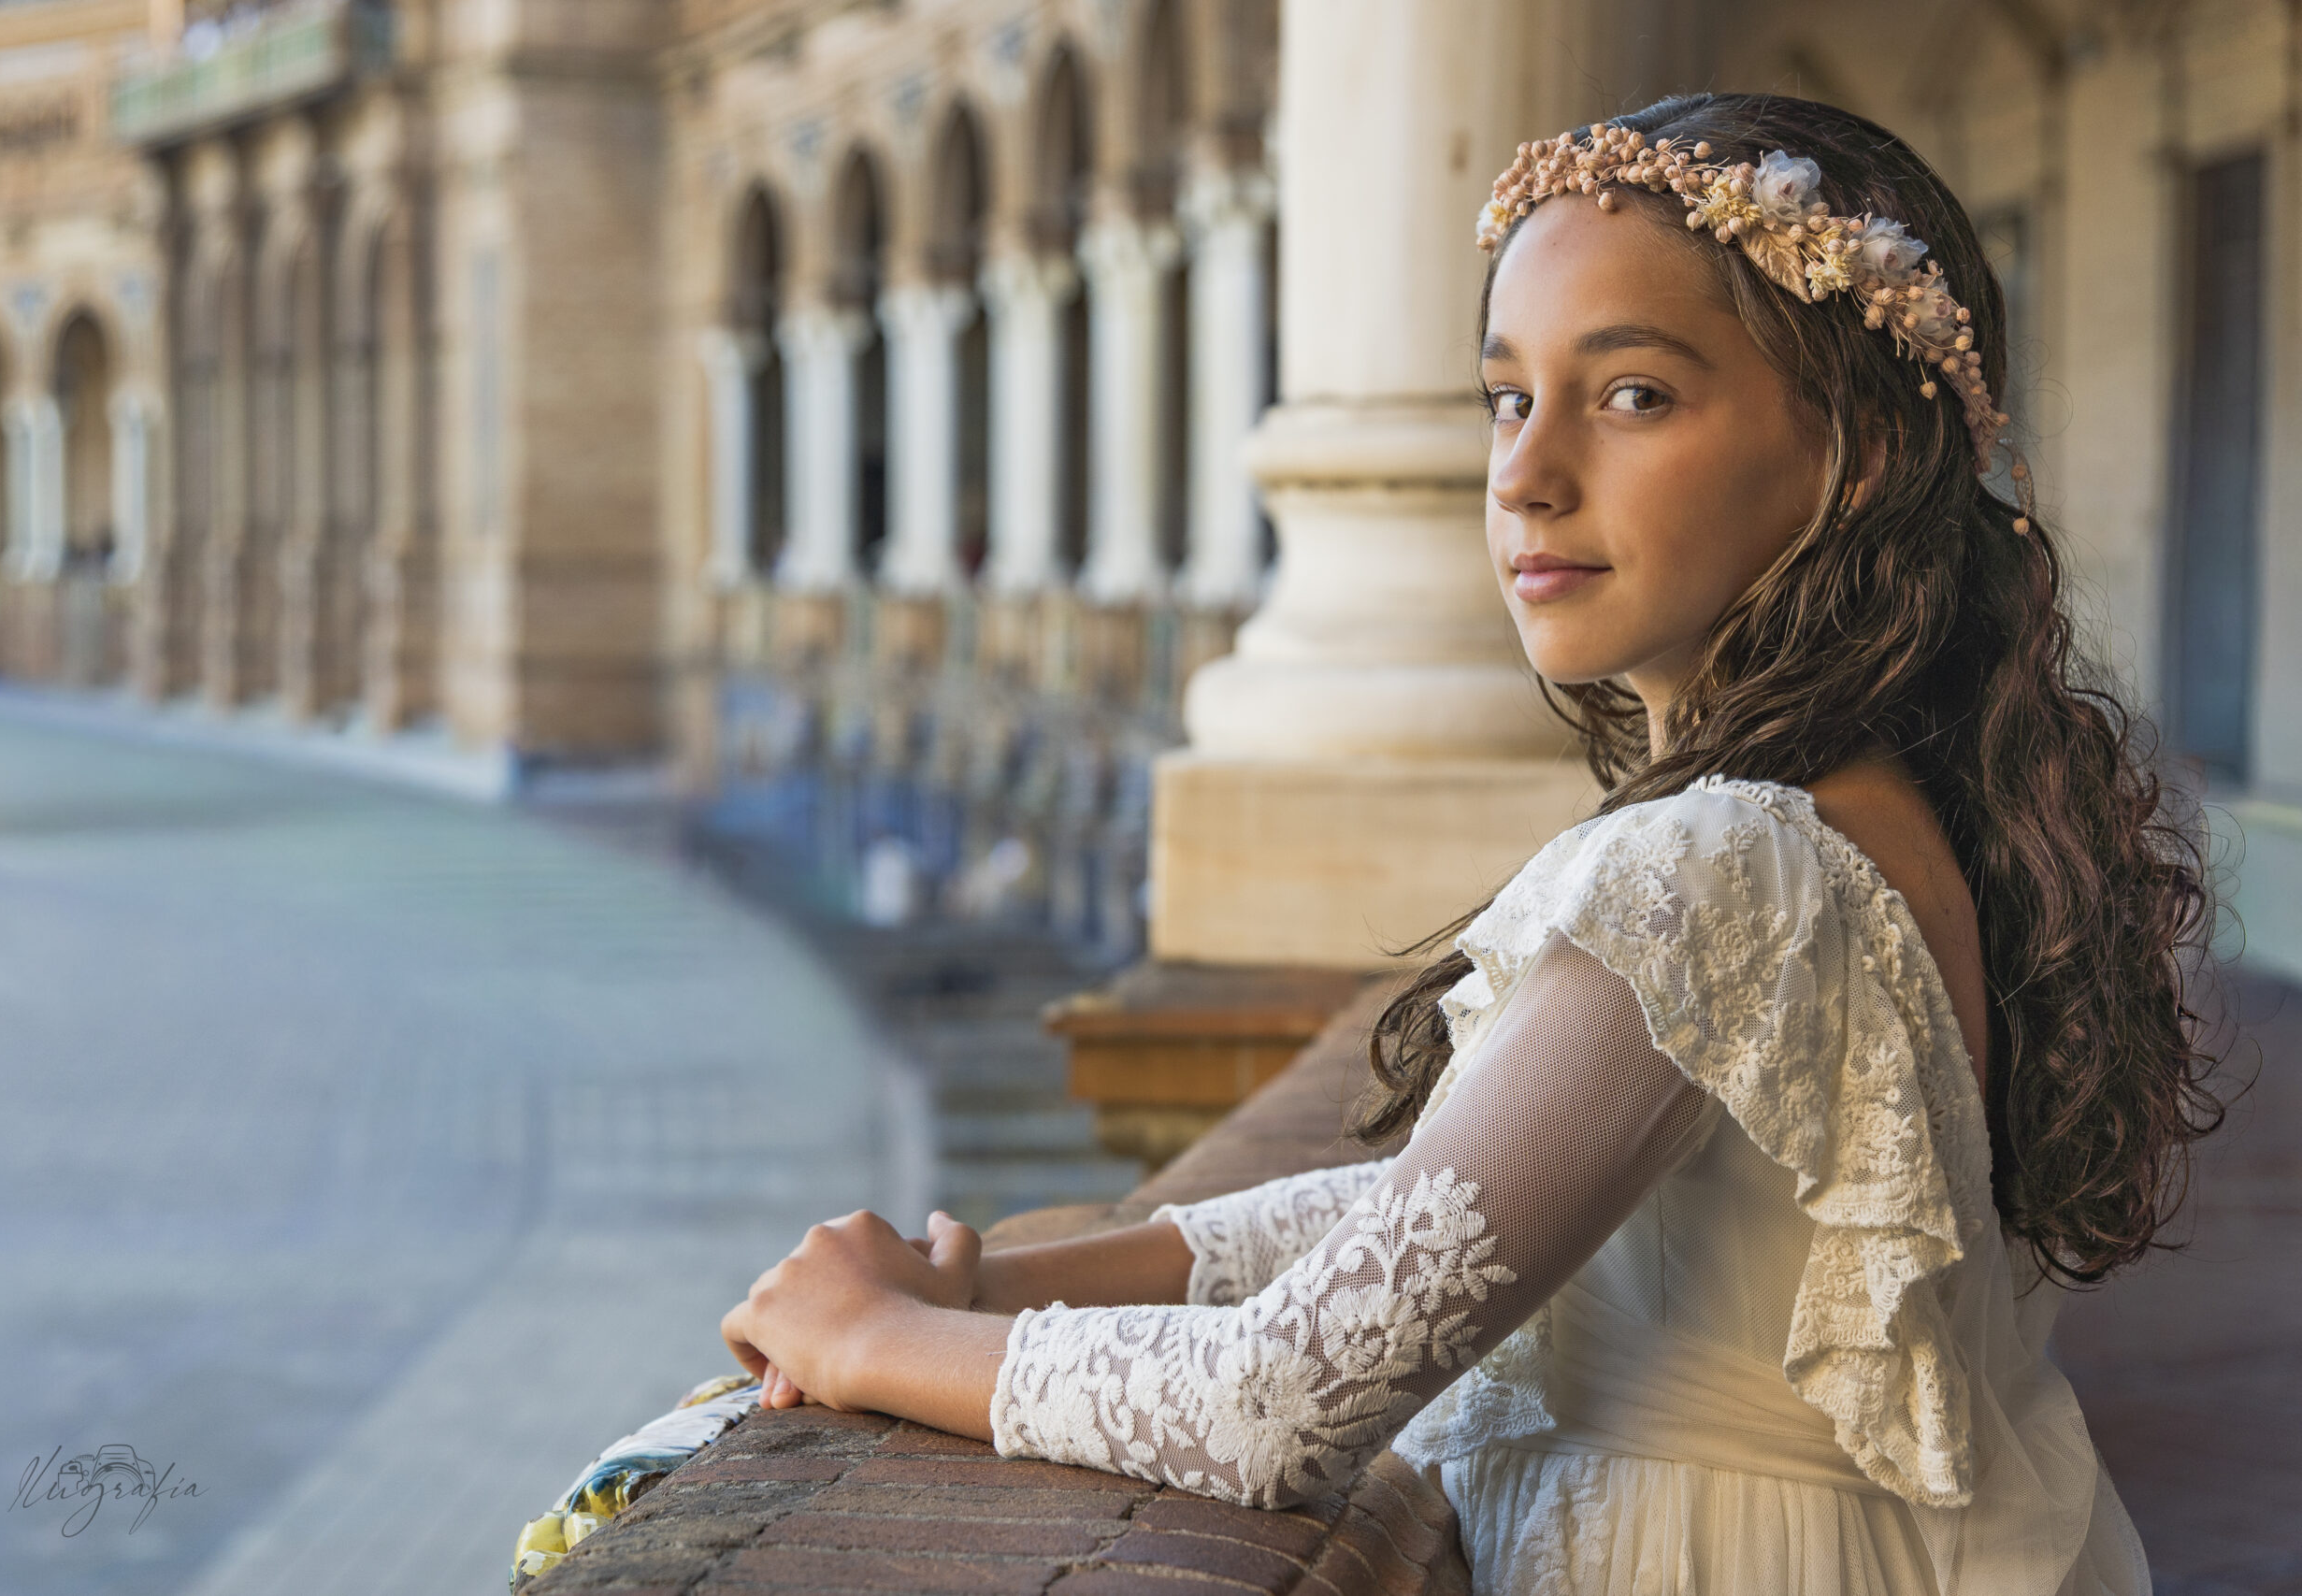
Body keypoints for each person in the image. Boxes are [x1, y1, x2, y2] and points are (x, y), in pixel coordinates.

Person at [718, 93, 2223, 1594]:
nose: (1526, 473)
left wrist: (878, 1338)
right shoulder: (1873, 807)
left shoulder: (1722, 867)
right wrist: (993, 1275)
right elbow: (1430, 1210)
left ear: (1856, 456)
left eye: (1633, 394)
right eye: (1510, 398)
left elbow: (1277, 1407)